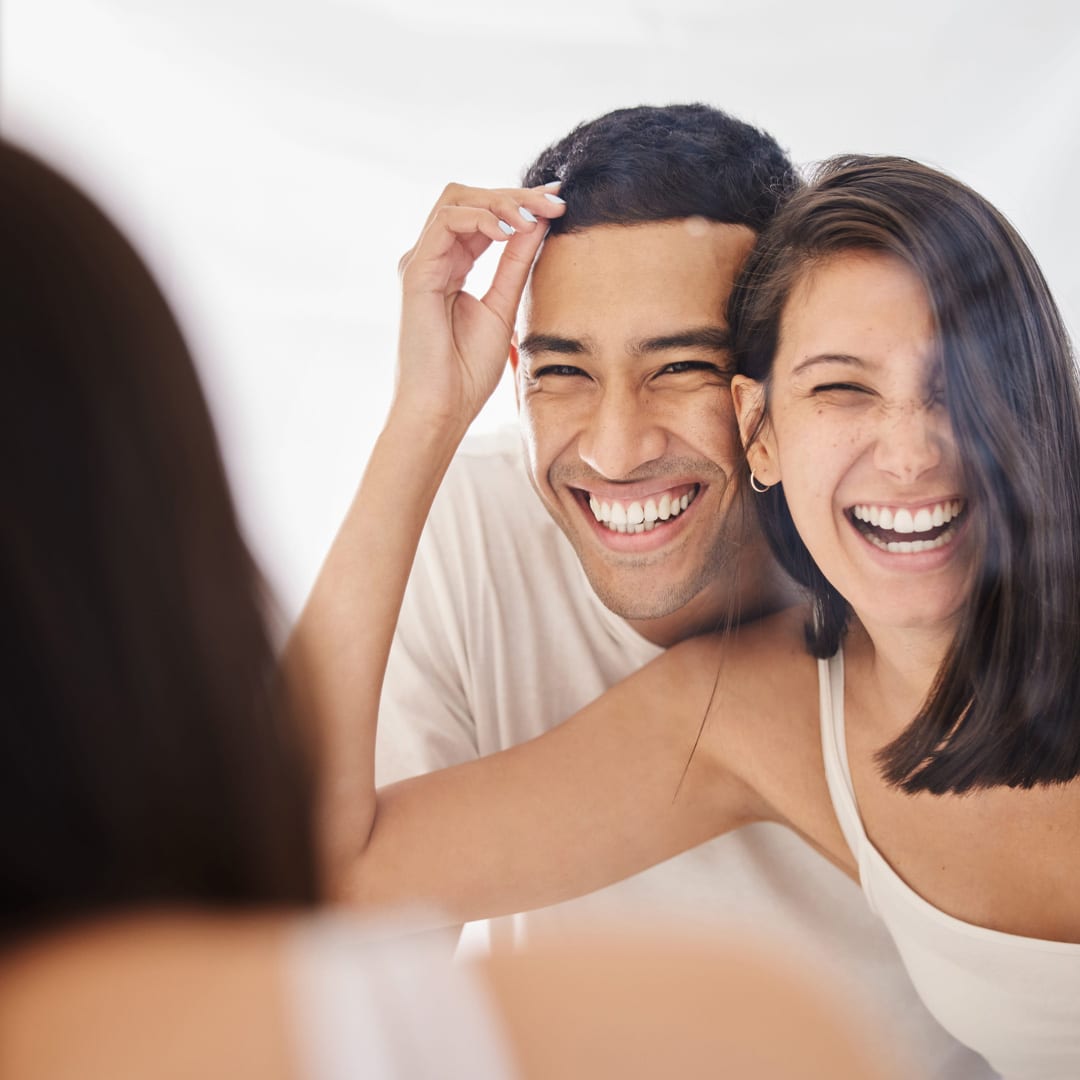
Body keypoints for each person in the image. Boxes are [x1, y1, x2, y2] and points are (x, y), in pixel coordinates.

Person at [0, 139, 894, 1080]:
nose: (619, 449)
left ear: (773, 384)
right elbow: (311, 908)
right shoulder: (477, 520)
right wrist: (424, 416)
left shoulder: (890, 546)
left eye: (681, 369)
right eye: (561, 371)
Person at [294, 151, 1080, 1079]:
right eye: (842, 386)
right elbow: (323, 878)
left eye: (678, 365)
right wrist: (421, 419)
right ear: (765, 426)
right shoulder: (758, 713)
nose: (910, 453)